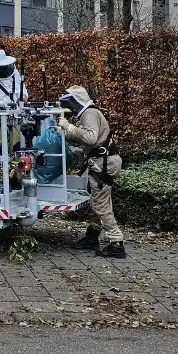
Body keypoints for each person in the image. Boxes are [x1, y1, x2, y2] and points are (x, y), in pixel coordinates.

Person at [56, 85, 125, 258]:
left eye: (71, 102)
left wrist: (69, 128)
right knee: (96, 201)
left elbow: (91, 138)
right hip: (102, 161)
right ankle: (92, 236)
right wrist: (64, 133)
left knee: (100, 203)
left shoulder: (90, 114)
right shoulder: (90, 113)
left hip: (103, 163)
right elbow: (87, 136)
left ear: (77, 100)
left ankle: (117, 242)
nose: (70, 107)